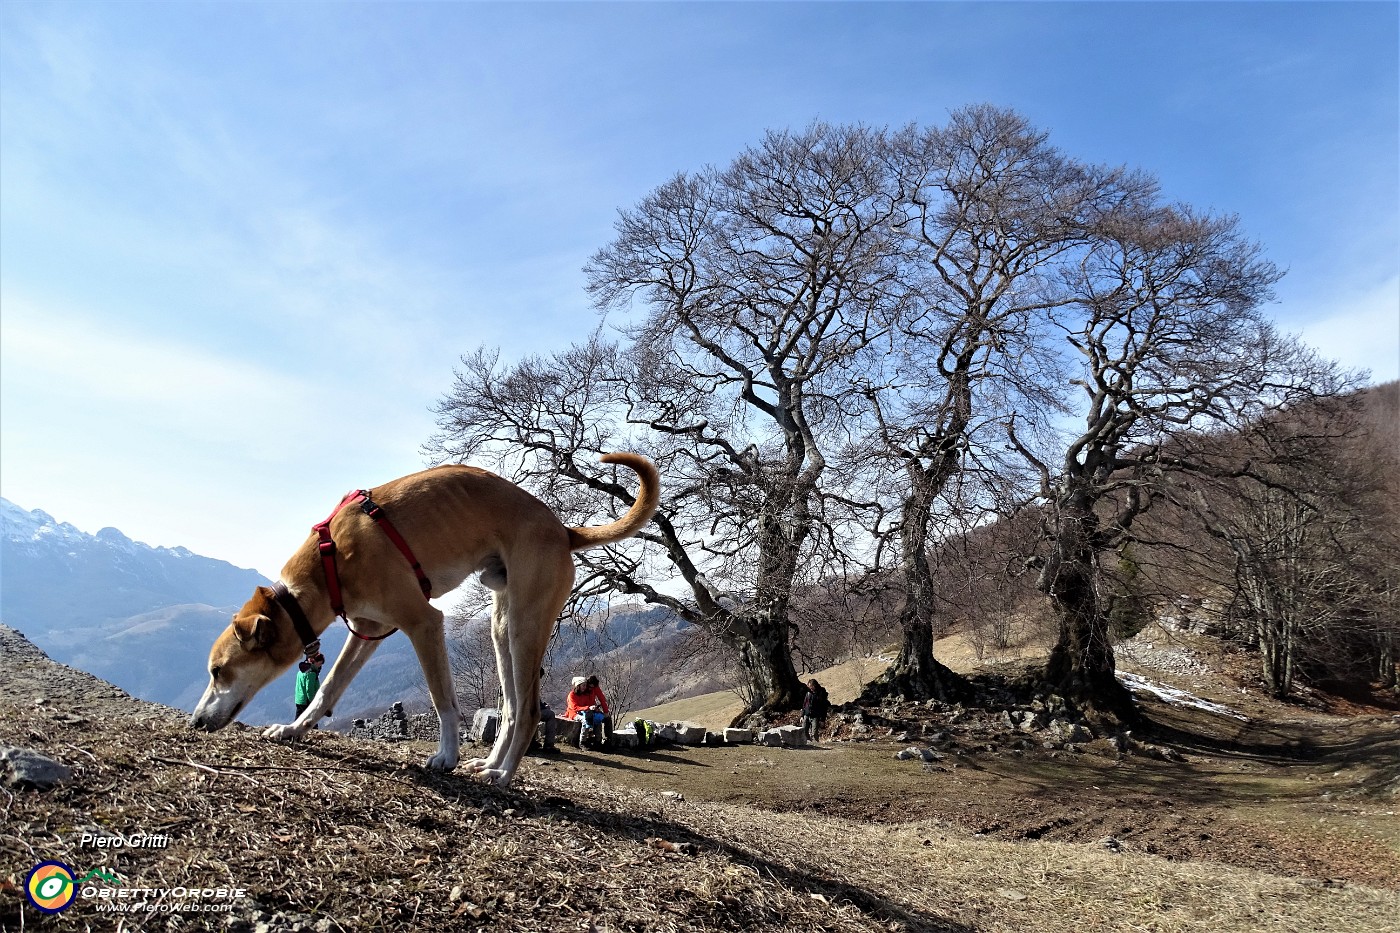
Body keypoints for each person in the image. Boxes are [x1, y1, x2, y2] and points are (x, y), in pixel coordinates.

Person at [564, 675, 612, 747]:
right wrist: (589, 708)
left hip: (589, 710)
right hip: (581, 711)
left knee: (605, 718)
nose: (588, 688)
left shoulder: (592, 688)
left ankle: (605, 740)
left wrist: (605, 712)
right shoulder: (576, 693)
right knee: (588, 719)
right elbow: (574, 707)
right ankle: (583, 742)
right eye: (586, 686)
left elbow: (602, 699)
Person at [294, 651, 325, 722]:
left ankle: (291, 732)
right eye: (320, 663)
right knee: (311, 721)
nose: (320, 666)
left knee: (298, 720)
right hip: (306, 701)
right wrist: (313, 701)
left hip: (299, 699)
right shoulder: (311, 674)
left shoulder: (301, 672)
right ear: (314, 662)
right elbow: (309, 690)